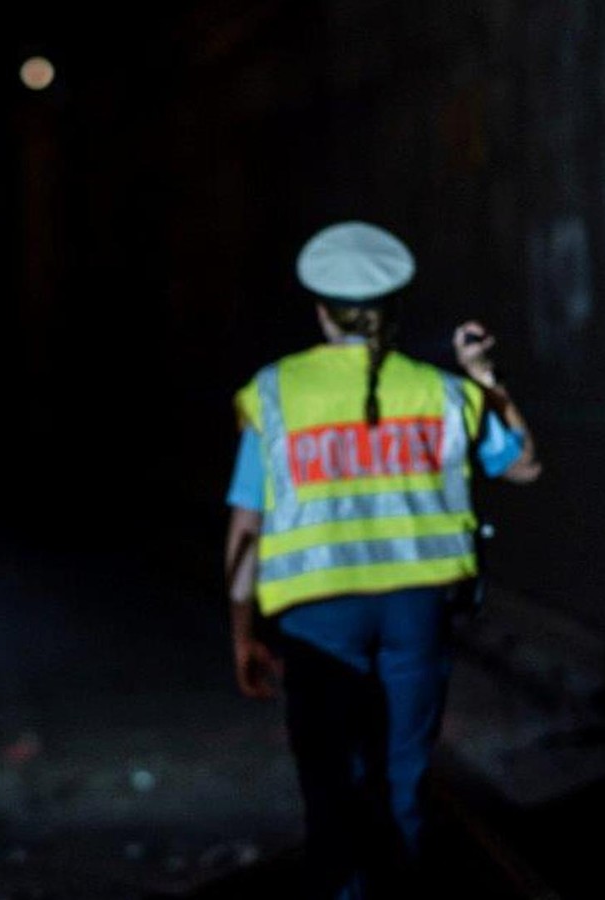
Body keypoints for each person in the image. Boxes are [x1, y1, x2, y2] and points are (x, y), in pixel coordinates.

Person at [223, 220, 540, 899]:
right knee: (403, 777)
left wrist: (243, 630)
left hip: (316, 616)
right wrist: (486, 376)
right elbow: (524, 466)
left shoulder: (278, 392)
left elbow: (246, 524)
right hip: (414, 610)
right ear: (393, 309)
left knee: (331, 778)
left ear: (320, 310)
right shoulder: (443, 392)